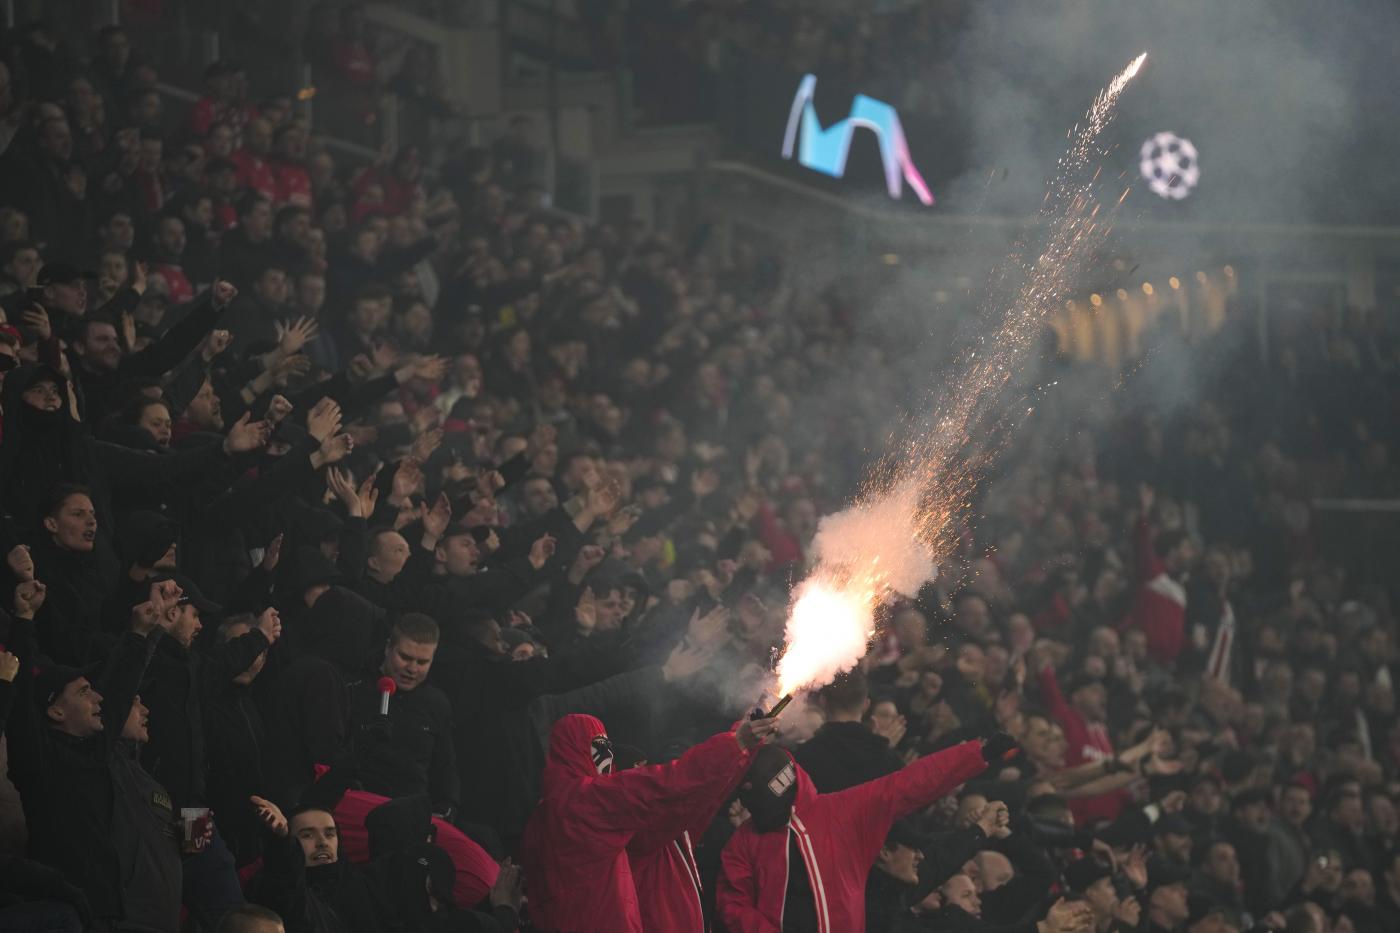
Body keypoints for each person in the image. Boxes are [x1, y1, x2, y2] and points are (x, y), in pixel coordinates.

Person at [715, 733, 1010, 933]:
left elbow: (911, 784)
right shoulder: (742, 843)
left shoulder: (843, 811)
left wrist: (975, 754)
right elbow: (733, 907)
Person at [520, 711, 778, 932]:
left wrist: (742, 744)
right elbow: (666, 784)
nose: (606, 757)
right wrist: (737, 742)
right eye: (597, 746)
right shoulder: (582, 802)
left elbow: (701, 799)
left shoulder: (547, 817)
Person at [346, 613, 458, 817]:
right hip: (359, 804)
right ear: (388, 647)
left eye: (422, 662)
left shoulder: (437, 703)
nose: (412, 669)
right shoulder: (354, 688)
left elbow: (444, 766)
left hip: (413, 812)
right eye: (405, 658)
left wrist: (447, 806)